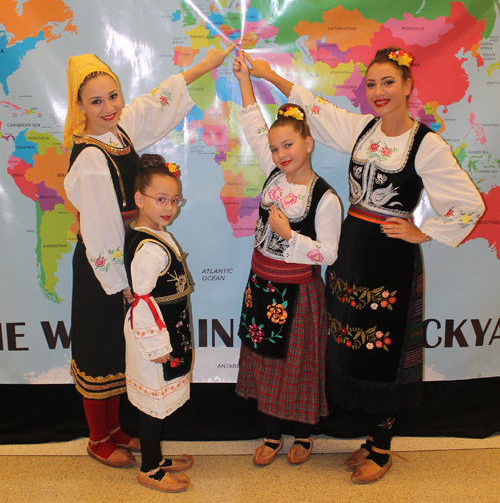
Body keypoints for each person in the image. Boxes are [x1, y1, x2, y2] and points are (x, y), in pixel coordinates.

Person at [237, 48, 484, 482]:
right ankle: (369, 440)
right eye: (371, 84)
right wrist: (269, 75)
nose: (379, 92)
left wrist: (423, 231)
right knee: (354, 344)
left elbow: (468, 204)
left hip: (389, 259)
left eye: (388, 82)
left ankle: (383, 450)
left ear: (408, 85)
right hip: (351, 251)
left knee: (383, 351)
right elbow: (317, 109)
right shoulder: (362, 130)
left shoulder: (426, 145)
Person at [63, 46, 234, 468]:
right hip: (103, 266)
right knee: (100, 348)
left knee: (126, 349)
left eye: (113, 96)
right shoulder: (89, 156)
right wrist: (121, 284)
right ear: (79, 106)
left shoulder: (119, 133)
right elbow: (100, 228)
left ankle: (119, 429)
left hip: (127, 258)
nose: (109, 107)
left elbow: (152, 102)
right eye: (96, 101)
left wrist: (204, 67)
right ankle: (98, 437)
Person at [232, 55, 342, 466]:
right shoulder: (273, 174)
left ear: (308, 143)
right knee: (265, 363)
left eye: (289, 145)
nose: (280, 153)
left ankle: (304, 434)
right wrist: (244, 79)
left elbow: (328, 254)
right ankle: (271, 433)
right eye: (276, 148)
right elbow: (253, 125)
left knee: (297, 365)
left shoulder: (325, 197)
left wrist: (290, 237)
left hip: (298, 292)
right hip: (262, 286)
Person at [124, 155, 193, 492]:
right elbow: (141, 301)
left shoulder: (153, 233)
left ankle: (157, 455)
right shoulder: (150, 249)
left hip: (166, 328)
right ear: (139, 198)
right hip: (154, 337)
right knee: (154, 403)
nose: (169, 207)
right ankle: (150, 468)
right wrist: (157, 348)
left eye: (174, 200)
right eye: (161, 199)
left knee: (158, 401)